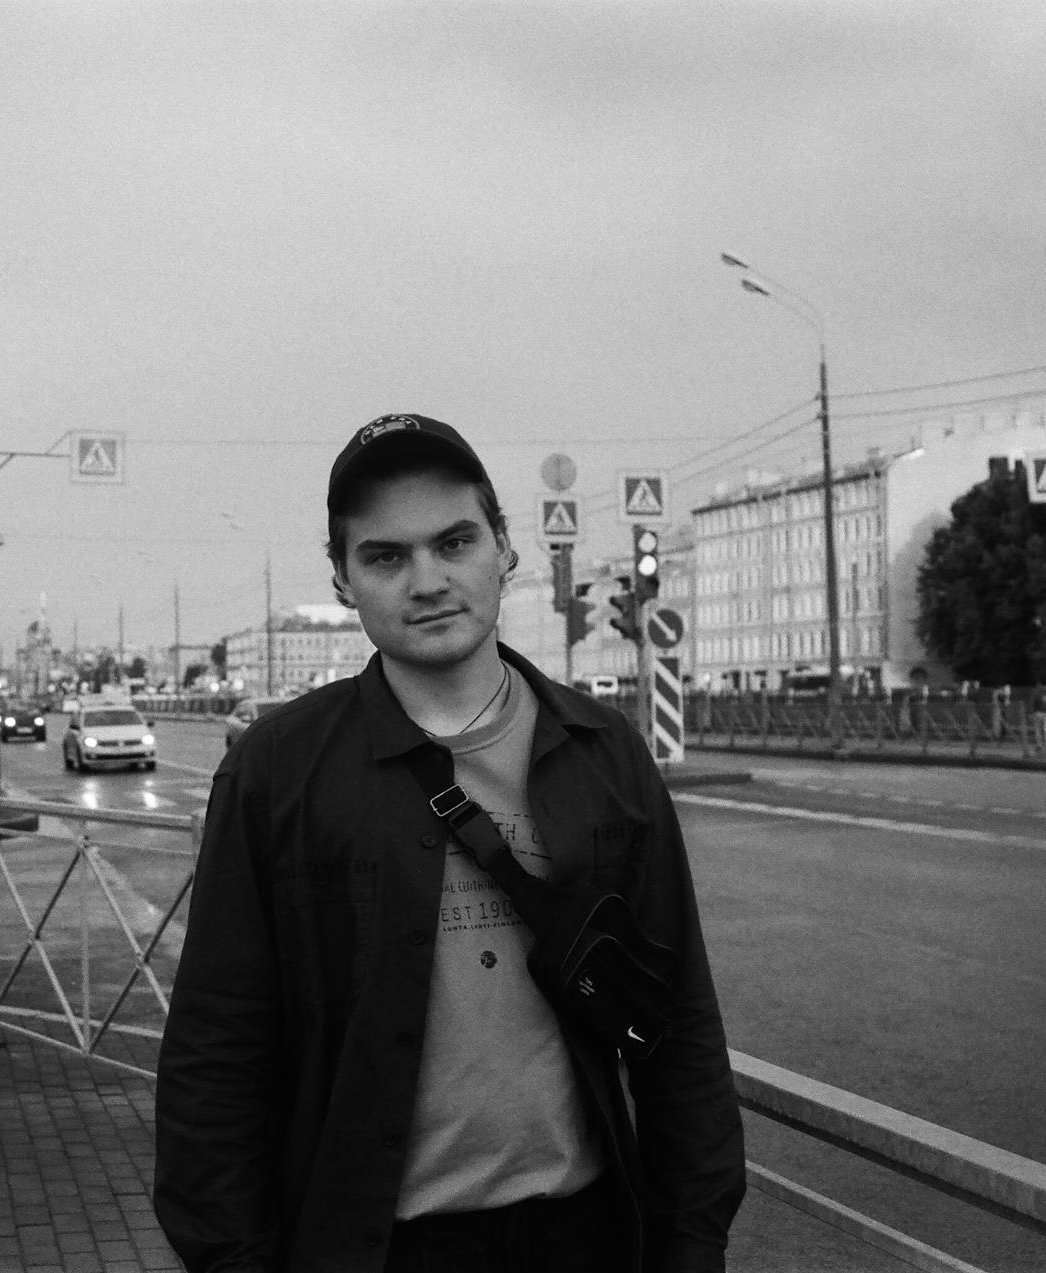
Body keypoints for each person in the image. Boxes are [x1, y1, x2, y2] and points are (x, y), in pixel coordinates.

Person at [154, 414, 746, 1272]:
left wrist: (691, 1242)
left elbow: (680, 1022)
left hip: (587, 1238)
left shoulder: (605, 752)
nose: (426, 580)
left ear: (504, 549)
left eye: (455, 541)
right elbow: (218, 1053)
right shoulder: (278, 771)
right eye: (385, 556)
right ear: (344, 578)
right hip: (376, 1247)